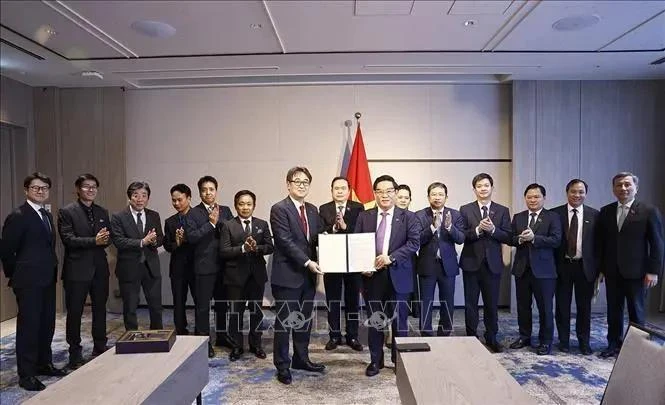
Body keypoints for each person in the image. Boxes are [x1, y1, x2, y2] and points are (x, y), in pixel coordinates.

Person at [1, 172, 67, 391]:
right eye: (36, 188)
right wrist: (16, 275)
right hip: (27, 281)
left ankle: (43, 363)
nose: (41, 191)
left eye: (45, 188)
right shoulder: (19, 215)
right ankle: (26, 374)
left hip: (47, 278)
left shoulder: (46, 215)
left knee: (46, 323)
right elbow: (7, 250)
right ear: (26, 190)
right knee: (29, 327)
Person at [355, 175, 421, 377]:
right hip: (372, 277)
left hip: (398, 275)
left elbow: (413, 243)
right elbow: (357, 243)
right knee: (375, 321)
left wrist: (390, 257)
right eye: (380, 191)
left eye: (388, 191)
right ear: (374, 194)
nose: (384, 195)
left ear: (395, 192)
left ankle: (399, 361)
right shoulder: (364, 216)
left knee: (399, 322)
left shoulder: (409, 217)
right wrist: (362, 266)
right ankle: (376, 361)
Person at [596, 172, 664, 358]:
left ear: (636, 188)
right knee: (613, 311)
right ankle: (613, 344)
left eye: (627, 185)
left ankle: (637, 349)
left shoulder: (649, 211)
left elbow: (657, 243)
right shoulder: (606, 211)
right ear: (613, 189)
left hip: (638, 272)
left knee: (637, 311)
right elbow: (603, 243)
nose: (623, 188)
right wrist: (601, 269)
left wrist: (654, 271)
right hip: (612, 271)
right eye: (619, 185)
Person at [270, 166, 325, 384]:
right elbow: (284, 241)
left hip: (308, 277)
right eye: (297, 181)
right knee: (285, 322)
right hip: (287, 275)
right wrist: (308, 262)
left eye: (305, 182)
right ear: (288, 184)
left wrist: (336, 235)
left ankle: (301, 358)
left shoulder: (312, 210)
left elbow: (318, 238)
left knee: (303, 321)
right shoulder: (279, 209)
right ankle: (282, 365)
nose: (302, 185)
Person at [58, 174, 111, 370]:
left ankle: (100, 346)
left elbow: (108, 238)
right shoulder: (67, 211)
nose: (91, 190)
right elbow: (68, 240)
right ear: (78, 189)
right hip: (76, 270)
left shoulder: (102, 211)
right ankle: (75, 352)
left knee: (100, 309)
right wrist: (94, 241)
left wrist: (104, 239)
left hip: (99, 269)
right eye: (86, 187)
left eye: (94, 187)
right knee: (75, 312)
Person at [459, 173, 511, 353]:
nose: (483, 188)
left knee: (491, 303)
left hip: (493, 265)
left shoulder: (502, 210)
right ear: (474, 189)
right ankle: (471, 337)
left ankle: (492, 336)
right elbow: (462, 235)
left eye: (486, 185)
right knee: (470, 303)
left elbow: (508, 236)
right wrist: (478, 230)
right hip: (471, 263)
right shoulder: (465, 209)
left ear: (492, 188)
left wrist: (494, 230)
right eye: (479, 186)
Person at [220, 190, 274, 361]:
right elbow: (224, 251)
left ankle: (255, 344)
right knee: (236, 312)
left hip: (256, 276)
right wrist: (243, 248)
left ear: (254, 206)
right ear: (236, 206)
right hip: (235, 277)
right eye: (241, 204)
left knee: (256, 312)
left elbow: (270, 247)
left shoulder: (262, 224)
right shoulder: (228, 225)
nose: (245, 207)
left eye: (248, 204)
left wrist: (256, 248)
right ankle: (236, 346)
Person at [510, 183, 561, 356]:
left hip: (545, 271)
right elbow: (511, 238)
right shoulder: (518, 217)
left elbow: (556, 240)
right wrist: (519, 239)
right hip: (522, 269)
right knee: (523, 306)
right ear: (525, 198)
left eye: (536, 197)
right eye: (529, 197)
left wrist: (534, 238)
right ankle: (524, 336)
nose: (533, 200)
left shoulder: (552, 217)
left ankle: (545, 341)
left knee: (545, 308)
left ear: (544, 198)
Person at [185, 175, 234, 357]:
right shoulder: (193, 213)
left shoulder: (226, 210)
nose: (208, 193)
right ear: (200, 192)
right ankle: (203, 341)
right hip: (203, 267)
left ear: (216, 190)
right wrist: (211, 223)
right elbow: (192, 237)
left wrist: (218, 223)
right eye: (204, 190)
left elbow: (230, 232)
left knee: (222, 305)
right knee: (203, 307)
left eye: (211, 189)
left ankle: (222, 336)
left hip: (223, 267)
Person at [552, 179, 599, 355]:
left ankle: (583, 341)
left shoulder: (595, 215)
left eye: (581, 192)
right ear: (567, 192)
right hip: (562, 266)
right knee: (562, 306)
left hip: (584, 267)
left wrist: (599, 270)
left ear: (585, 194)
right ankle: (563, 341)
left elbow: (599, 245)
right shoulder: (555, 214)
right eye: (573, 191)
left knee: (584, 307)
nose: (577, 195)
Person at [111, 181, 164, 332]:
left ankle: (157, 335)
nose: (140, 199)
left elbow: (160, 238)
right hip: (129, 268)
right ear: (129, 197)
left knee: (156, 306)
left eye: (144, 195)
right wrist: (142, 242)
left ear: (148, 198)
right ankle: (131, 338)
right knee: (130, 307)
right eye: (136, 195)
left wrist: (154, 241)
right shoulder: (118, 217)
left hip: (151, 267)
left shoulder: (154, 215)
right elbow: (119, 241)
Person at [319, 176, 364, 351]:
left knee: (352, 300)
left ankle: (352, 336)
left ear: (349, 190)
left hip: (353, 261)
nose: (339, 191)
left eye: (343, 188)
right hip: (332, 260)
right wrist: (333, 229)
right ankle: (334, 336)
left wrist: (346, 227)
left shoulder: (358, 208)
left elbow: (361, 232)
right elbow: (319, 232)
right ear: (331, 190)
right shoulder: (324, 209)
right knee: (333, 300)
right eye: (336, 188)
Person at [415, 182, 464, 337]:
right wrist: (432, 228)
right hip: (427, 264)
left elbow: (461, 238)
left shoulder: (455, 215)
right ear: (428, 197)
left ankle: (445, 331)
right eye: (434, 194)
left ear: (446, 197)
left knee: (447, 301)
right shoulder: (419, 215)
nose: (437, 198)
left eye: (440, 194)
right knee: (426, 302)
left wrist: (449, 227)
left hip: (447, 265)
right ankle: (426, 332)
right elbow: (417, 240)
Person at [163, 184, 196, 336]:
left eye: (180, 200)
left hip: (198, 267)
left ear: (189, 198)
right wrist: (177, 243)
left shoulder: (199, 216)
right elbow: (167, 245)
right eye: (173, 200)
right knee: (178, 302)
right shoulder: (170, 222)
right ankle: (181, 331)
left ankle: (201, 332)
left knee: (200, 303)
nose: (176, 203)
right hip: (178, 268)